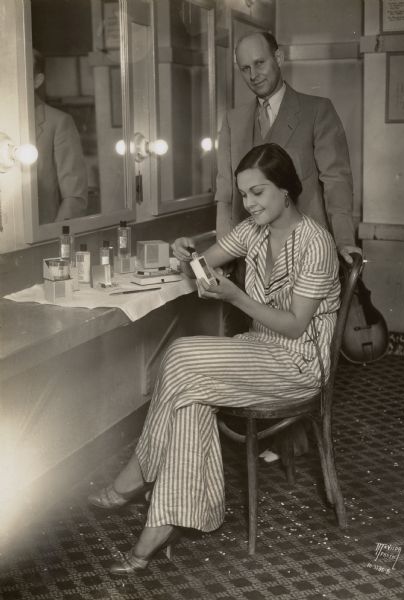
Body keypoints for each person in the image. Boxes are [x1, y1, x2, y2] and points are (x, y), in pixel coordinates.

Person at [88, 143, 341, 575]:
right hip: (259, 350)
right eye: (244, 195)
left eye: (258, 192)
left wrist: (237, 296)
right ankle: (165, 521)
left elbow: (297, 326)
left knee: (183, 357)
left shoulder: (316, 243)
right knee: (190, 392)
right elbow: (207, 260)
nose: (250, 203)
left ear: (286, 190)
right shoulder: (255, 230)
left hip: (298, 364)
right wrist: (188, 252)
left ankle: (139, 474)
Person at [215, 31, 361, 263]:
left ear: (279, 58)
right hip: (250, 260)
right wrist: (223, 257)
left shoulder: (317, 112)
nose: (253, 75)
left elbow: (337, 182)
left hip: (306, 256)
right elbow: (225, 196)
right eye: (245, 68)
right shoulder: (233, 121)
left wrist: (344, 242)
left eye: (259, 63)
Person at [33, 49, 88, 224]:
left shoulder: (58, 122)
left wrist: (54, 239)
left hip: (40, 237)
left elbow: (74, 197)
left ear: (37, 80)